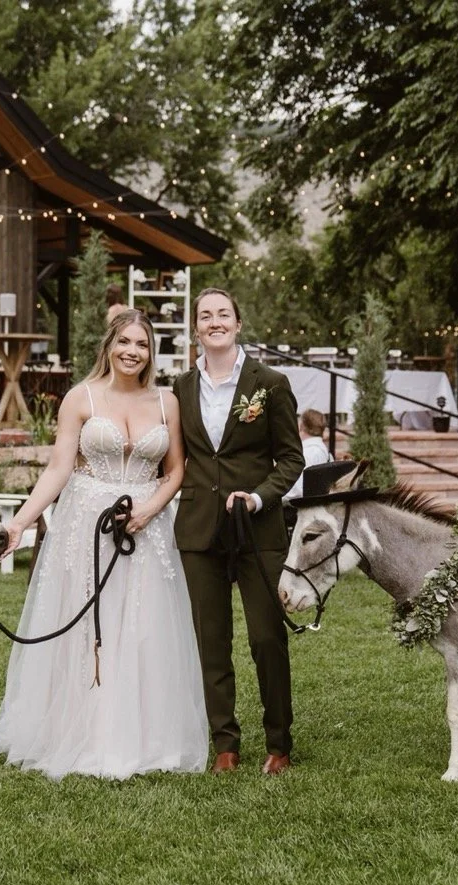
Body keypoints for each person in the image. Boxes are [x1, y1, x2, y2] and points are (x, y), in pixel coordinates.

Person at [0, 309, 207, 779]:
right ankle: (78, 732)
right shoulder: (80, 397)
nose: (133, 352)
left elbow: (176, 471)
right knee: (88, 624)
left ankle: (145, 737)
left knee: (146, 626)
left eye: (142, 345)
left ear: (151, 353)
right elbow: (58, 469)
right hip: (84, 527)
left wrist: (149, 512)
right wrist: (22, 524)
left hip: (146, 530)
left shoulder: (167, 402)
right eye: (125, 342)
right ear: (109, 345)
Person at [172, 288, 305, 776]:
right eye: (205, 316)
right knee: (212, 641)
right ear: (196, 329)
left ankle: (279, 743)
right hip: (198, 530)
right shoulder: (181, 386)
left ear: (238, 323)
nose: (214, 322)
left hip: (258, 528)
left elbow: (291, 458)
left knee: (267, 637)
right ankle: (225, 744)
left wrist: (259, 496)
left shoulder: (270, 383)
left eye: (222, 314)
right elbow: (178, 459)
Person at [283, 409, 332, 504]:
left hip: (299, 513)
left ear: (301, 426)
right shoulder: (323, 450)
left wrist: (268, 499)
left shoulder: (307, 453)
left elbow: (297, 491)